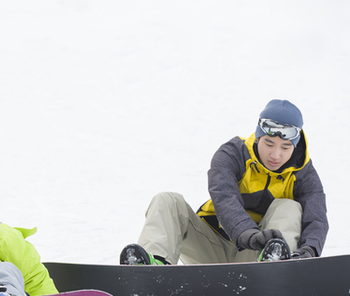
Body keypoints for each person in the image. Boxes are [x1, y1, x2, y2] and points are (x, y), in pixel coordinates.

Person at [120, 99, 328, 266]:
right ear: (257, 138)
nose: (275, 155)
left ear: (295, 146)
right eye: (269, 143)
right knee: (167, 200)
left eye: (285, 147)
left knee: (289, 206)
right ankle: (151, 268)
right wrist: (247, 233)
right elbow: (224, 197)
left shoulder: (304, 174)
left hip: (258, 256)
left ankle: (279, 267)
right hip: (210, 247)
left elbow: (316, 218)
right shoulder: (232, 154)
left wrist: (309, 251)